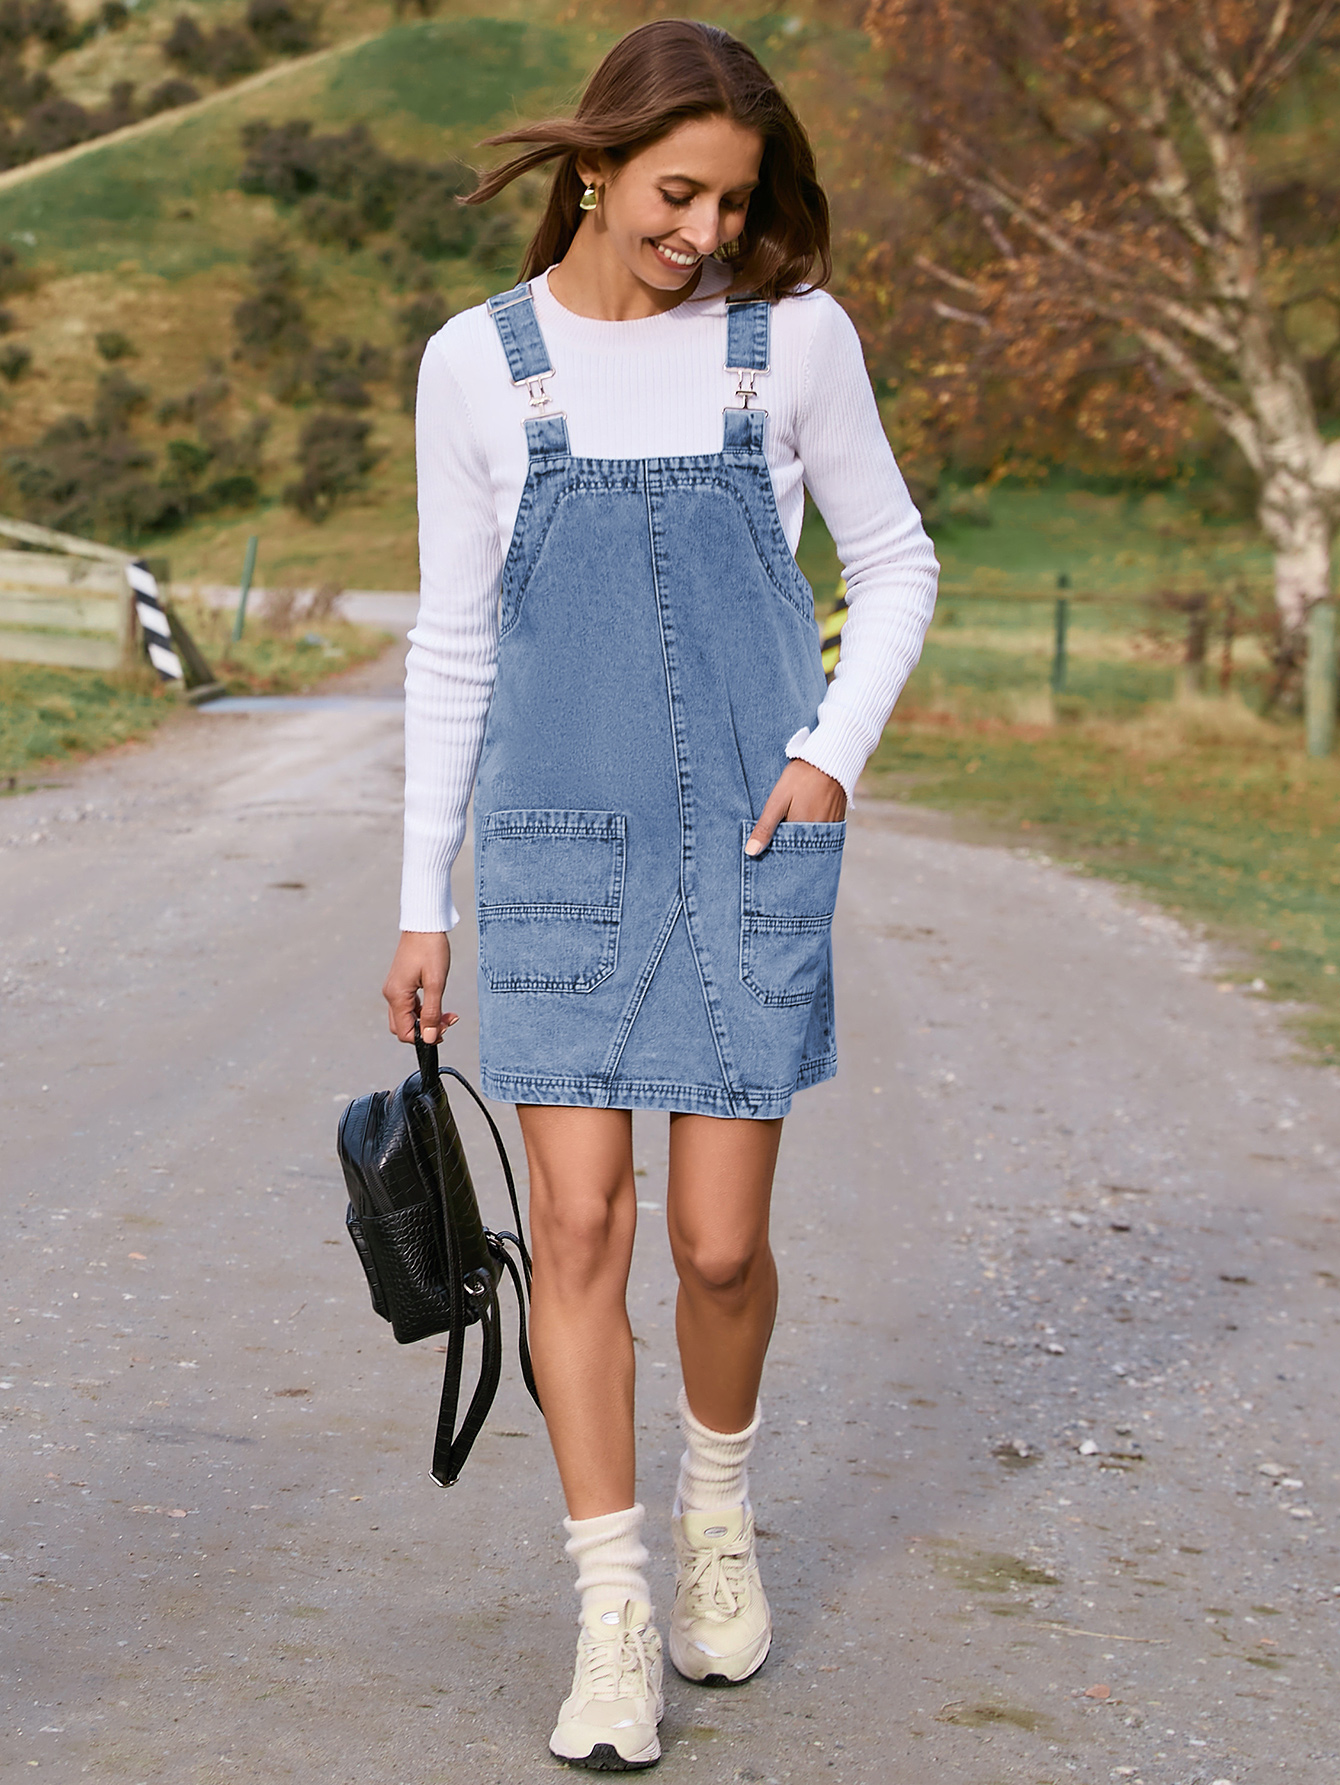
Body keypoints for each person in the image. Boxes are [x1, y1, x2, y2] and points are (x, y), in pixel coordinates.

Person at [382, 18, 937, 1771]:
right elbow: (453, 640)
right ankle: (612, 1607)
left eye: (734, 199)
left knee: (713, 1241)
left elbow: (901, 560)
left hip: (753, 844)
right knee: (585, 1233)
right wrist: (421, 900)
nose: (704, 230)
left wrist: (833, 745)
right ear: (599, 162)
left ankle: (717, 1500)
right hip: (549, 844)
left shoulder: (796, 343)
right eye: (678, 191)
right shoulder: (478, 364)